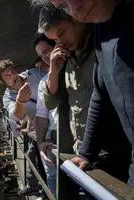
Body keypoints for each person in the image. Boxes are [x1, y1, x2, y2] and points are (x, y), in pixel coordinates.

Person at [34, 0, 134, 185]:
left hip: (116, 153)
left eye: (62, 33)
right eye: (54, 40)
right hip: (86, 154)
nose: (74, 8)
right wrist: (86, 153)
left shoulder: (104, 37)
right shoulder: (67, 56)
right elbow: (97, 94)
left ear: (75, 22)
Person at [38, 5, 95, 154]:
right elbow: (50, 102)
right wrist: (54, 71)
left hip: (112, 152)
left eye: (61, 33)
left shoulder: (101, 47)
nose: (60, 42)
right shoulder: (66, 60)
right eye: (55, 40)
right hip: (81, 151)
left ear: (76, 17)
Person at [0, 59, 46, 196]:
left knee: (47, 161)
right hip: (38, 131)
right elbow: (16, 115)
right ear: (2, 82)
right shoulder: (8, 96)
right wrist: (21, 100)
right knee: (33, 156)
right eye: (7, 75)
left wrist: (46, 63)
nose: (13, 75)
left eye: (13, 70)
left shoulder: (35, 74)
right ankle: (36, 187)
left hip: (54, 122)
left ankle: (46, 189)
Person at [33, 33, 57, 194]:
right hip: (53, 139)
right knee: (54, 180)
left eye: (47, 50)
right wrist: (40, 143)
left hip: (80, 140)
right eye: (42, 55)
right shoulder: (44, 81)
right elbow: (41, 115)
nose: (46, 57)